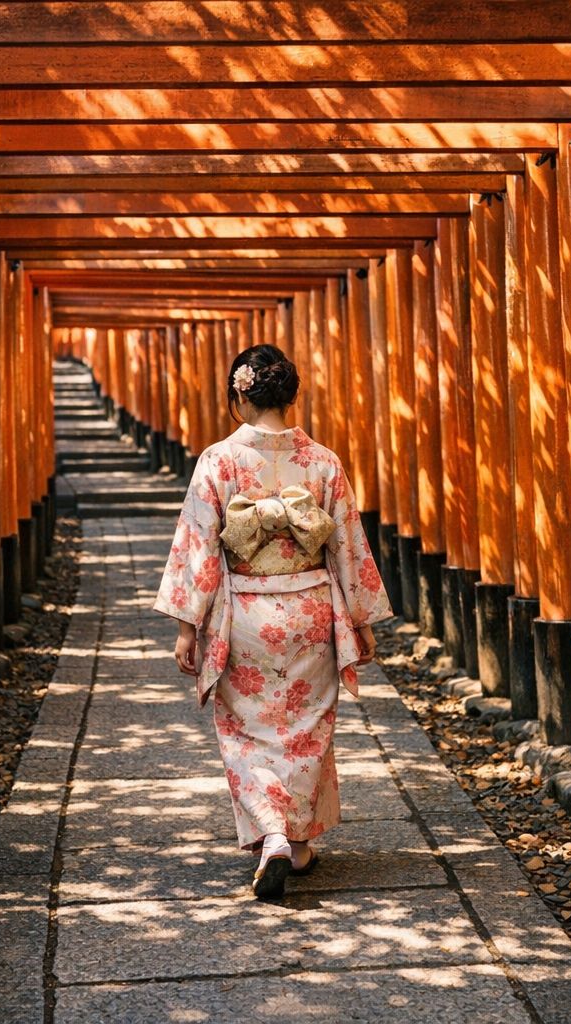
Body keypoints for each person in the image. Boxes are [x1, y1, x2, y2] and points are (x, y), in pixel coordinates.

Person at [154, 343, 392, 899]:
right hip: (310, 606)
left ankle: (275, 834)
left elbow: (198, 548)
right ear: (292, 394)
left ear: (240, 391)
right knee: (306, 729)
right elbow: (349, 547)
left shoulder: (219, 461)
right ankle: (297, 839)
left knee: (246, 730)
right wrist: (361, 620)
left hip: (245, 612)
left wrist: (187, 626)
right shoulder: (323, 461)